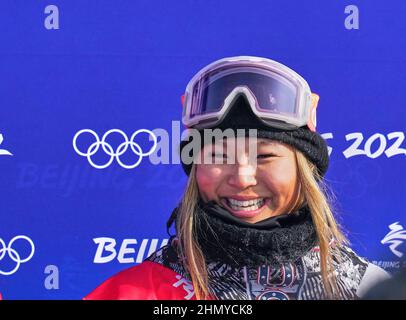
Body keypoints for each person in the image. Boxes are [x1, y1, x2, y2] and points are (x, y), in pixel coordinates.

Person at [85, 56, 390, 300]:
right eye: (219, 157)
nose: (243, 178)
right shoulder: (135, 293)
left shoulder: (367, 289)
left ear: (304, 168)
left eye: (265, 156)